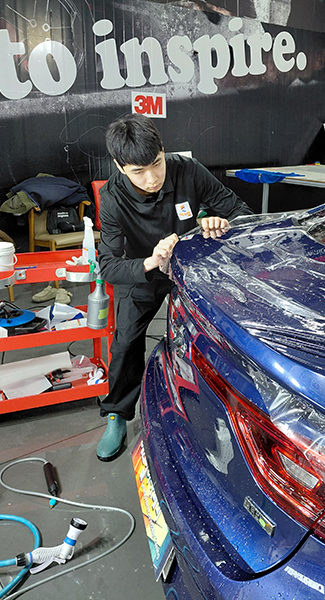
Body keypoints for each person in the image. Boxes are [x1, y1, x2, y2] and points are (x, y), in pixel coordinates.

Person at [94, 114, 253, 461]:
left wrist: (220, 223)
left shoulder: (188, 170)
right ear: (120, 167)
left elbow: (242, 213)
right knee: (126, 341)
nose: (152, 178)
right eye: (138, 171)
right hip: (145, 273)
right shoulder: (113, 198)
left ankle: (224, 408)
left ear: (164, 151)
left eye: (156, 163)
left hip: (191, 268)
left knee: (216, 331)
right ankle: (117, 413)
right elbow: (108, 266)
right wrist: (150, 261)